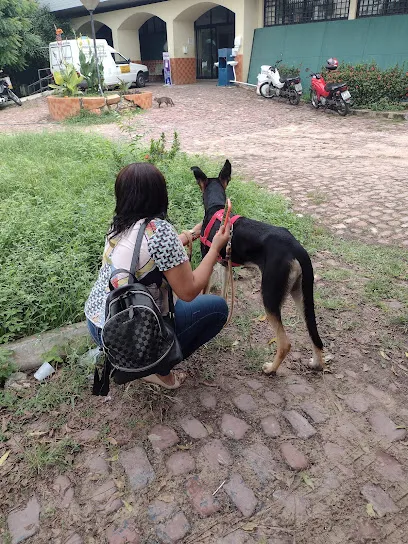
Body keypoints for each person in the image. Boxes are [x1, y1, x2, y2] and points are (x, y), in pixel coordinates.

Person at [85, 162, 230, 389]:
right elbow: (190, 290)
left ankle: (129, 362)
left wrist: (190, 235)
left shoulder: (118, 224)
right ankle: (158, 368)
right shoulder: (160, 231)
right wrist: (215, 247)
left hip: (100, 324)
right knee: (218, 308)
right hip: (133, 334)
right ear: (160, 195)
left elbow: (143, 254)